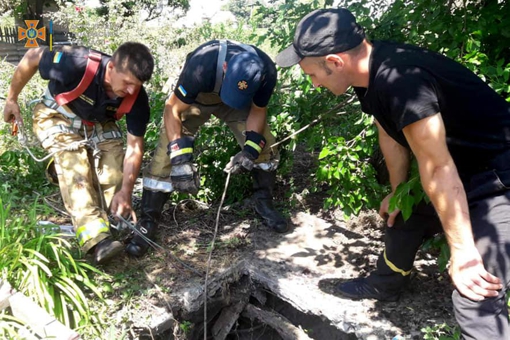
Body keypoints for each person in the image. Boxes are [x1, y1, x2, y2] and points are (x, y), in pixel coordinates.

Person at [276, 7, 510, 340]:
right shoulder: (369, 72)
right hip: (465, 171)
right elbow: (388, 131)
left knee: (476, 296)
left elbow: (438, 167)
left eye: (312, 74)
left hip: (499, 179)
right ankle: (386, 285)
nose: (313, 84)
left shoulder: (403, 82)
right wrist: (398, 191)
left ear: (334, 62)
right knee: (403, 215)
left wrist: (463, 252)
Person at [126, 39, 289, 257]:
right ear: (224, 68)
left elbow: (258, 112)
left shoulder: (266, 72)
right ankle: (148, 221)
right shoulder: (201, 65)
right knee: (165, 156)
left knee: (264, 147)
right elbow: (172, 110)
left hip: (242, 105)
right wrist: (179, 158)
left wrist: (250, 151)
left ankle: (264, 204)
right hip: (197, 100)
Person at [3, 42, 154, 265]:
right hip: (57, 114)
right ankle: (96, 240)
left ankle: (114, 224)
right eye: (128, 83)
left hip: (99, 124)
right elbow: (34, 55)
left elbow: (134, 147)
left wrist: (126, 191)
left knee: (114, 179)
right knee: (76, 168)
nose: (131, 90)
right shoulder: (77, 64)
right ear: (111, 68)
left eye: (137, 85)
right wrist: (11, 99)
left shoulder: (136, 98)